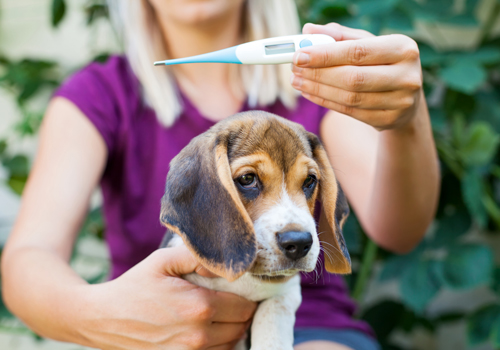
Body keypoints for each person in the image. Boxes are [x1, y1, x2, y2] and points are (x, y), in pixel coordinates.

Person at [1, 0, 439, 349]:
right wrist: (99, 316)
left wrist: (406, 120)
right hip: (160, 332)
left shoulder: (321, 82)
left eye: (308, 184)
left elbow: (398, 231)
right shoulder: (99, 95)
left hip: (309, 327)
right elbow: (29, 257)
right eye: (249, 178)